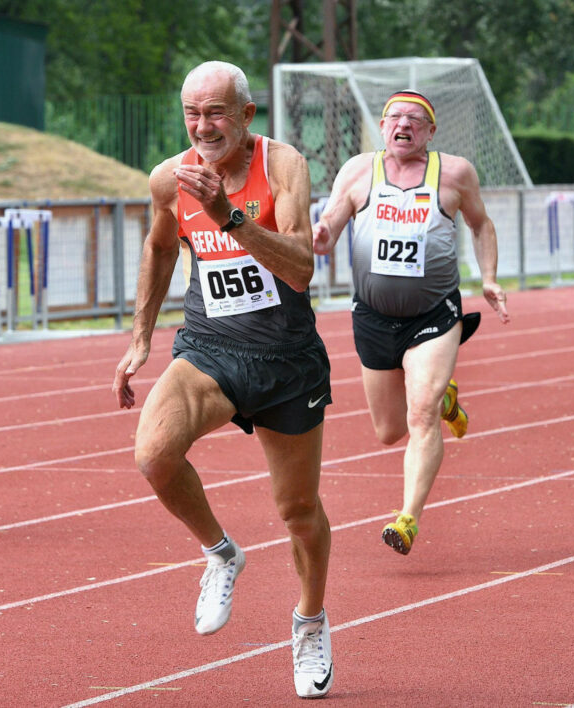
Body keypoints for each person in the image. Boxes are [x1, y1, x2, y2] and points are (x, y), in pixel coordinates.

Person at [113, 61, 334, 698]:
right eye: (192, 113)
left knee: (298, 511)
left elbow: (300, 269)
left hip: (286, 360)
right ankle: (220, 551)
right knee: (153, 454)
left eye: (215, 113)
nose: (203, 126)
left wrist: (228, 214)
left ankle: (310, 620)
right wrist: (140, 337)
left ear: (246, 116)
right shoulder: (168, 178)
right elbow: (160, 248)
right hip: (210, 347)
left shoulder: (282, 165)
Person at [312, 89, 510, 556]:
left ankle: (408, 519)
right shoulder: (359, 170)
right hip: (373, 317)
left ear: (430, 131)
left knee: (419, 414)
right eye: (395, 117)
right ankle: (448, 399)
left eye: (414, 119)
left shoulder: (454, 173)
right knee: (388, 430)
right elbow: (329, 229)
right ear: (382, 127)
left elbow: (481, 225)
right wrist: (320, 237)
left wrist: (490, 278)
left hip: (433, 315)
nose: (403, 124)